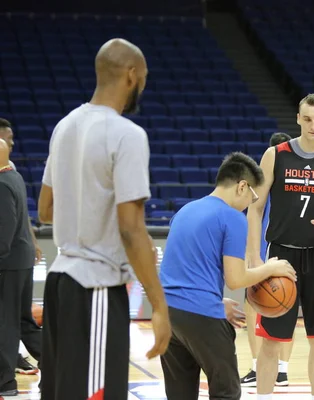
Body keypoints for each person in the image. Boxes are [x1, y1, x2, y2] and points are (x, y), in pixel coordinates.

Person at [37, 38, 172, 400]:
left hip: (59, 282)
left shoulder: (64, 127)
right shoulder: (126, 134)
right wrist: (159, 307)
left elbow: (46, 210)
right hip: (94, 287)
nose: (142, 85)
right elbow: (131, 227)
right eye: (142, 78)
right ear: (131, 74)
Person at [158, 152, 296, 400]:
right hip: (200, 315)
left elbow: (181, 272)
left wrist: (217, 302)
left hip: (168, 314)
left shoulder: (185, 210)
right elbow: (236, 279)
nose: (252, 202)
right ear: (242, 186)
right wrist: (270, 268)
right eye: (253, 195)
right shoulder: (232, 217)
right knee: (227, 392)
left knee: (180, 395)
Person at [246, 93, 314, 400]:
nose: (313, 125)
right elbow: (254, 208)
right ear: (298, 119)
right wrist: (254, 256)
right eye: (307, 119)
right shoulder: (276, 154)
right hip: (281, 256)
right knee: (271, 340)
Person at [241, 132, 295, 388]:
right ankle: (282, 370)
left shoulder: (265, 178)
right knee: (286, 304)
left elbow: (254, 213)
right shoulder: (298, 178)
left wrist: (253, 255)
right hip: (289, 250)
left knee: (254, 306)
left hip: (265, 250)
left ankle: (255, 366)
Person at [0, 118, 44, 376]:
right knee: (20, 318)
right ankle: (52, 359)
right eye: (8, 138)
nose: (12, 143)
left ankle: (5, 376)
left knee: (9, 319)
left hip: (12, 254)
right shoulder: (10, 171)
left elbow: (15, 216)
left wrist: (34, 241)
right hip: (19, 253)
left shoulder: (7, 173)